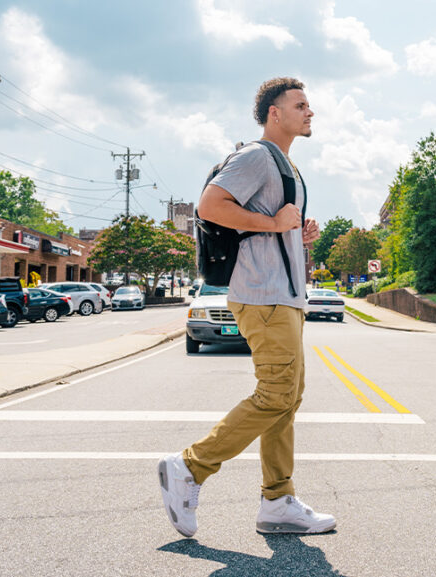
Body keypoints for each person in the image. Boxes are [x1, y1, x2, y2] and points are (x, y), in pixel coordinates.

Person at [158, 77, 332, 537]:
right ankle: (190, 467)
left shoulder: (288, 167)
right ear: (275, 113)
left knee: (286, 400)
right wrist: (273, 223)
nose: (309, 112)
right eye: (300, 105)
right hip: (262, 293)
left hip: (286, 295)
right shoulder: (256, 156)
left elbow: (274, 227)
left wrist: (296, 231)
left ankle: (278, 502)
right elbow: (211, 205)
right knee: (276, 394)